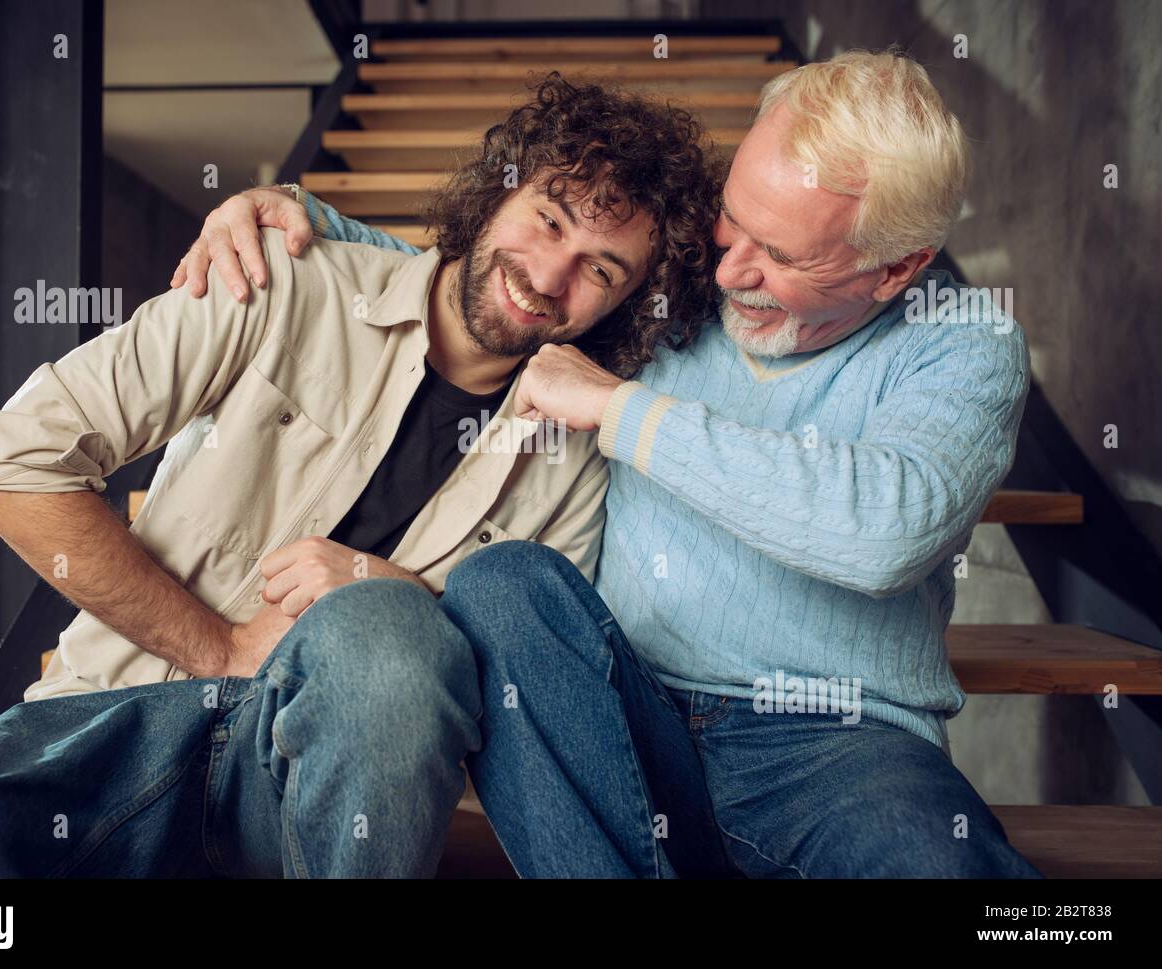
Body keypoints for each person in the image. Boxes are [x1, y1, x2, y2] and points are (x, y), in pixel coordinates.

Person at [178, 50, 1041, 878]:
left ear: (898, 268)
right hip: (619, 712)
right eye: (734, 217)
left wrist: (620, 409)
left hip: (837, 744)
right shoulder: (684, 286)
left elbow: (884, 532)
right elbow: (499, 282)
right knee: (506, 585)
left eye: (781, 257)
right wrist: (298, 214)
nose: (732, 267)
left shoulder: (960, 343)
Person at [0, 74, 720, 878]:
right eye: (551, 218)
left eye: (602, 270)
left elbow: (516, 703)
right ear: (498, 191)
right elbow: (9, 463)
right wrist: (221, 648)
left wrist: (397, 590)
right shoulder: (282, 282)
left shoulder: (572, 459)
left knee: (386, 633)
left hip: (311, 791)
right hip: (108, 719)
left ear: (624, 301)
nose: (550, 274)